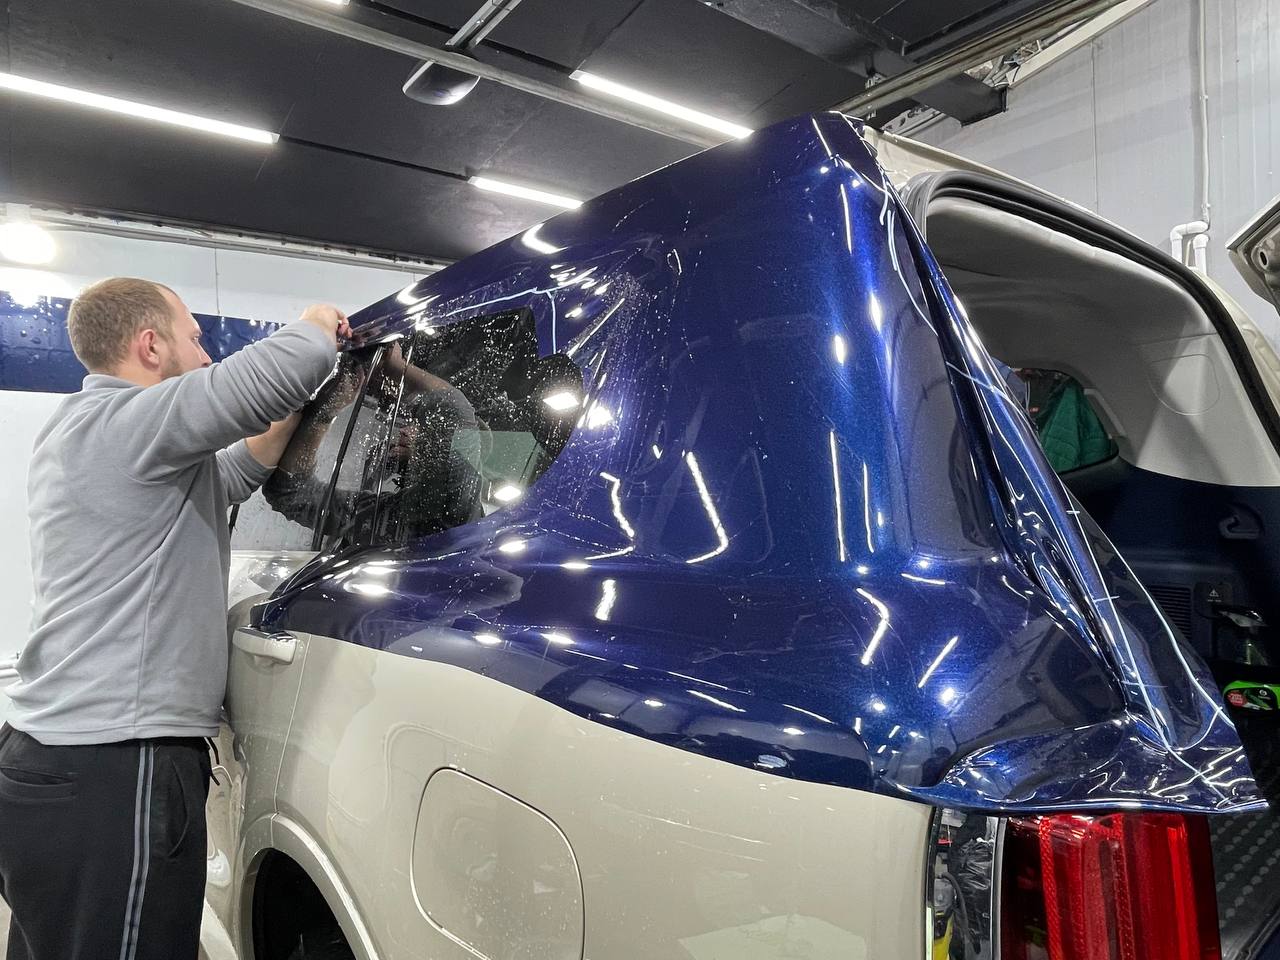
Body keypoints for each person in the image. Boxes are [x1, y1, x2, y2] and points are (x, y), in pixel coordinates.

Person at [0, 277, 346, 960]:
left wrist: (292, 417)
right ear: (150, 346)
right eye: (195, 336)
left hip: (56, 765)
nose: (208, 352)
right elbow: (277, 372)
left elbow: (232, 473)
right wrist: (318, 323)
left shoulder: (95, 433)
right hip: (114, 775)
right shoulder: (127, 421)